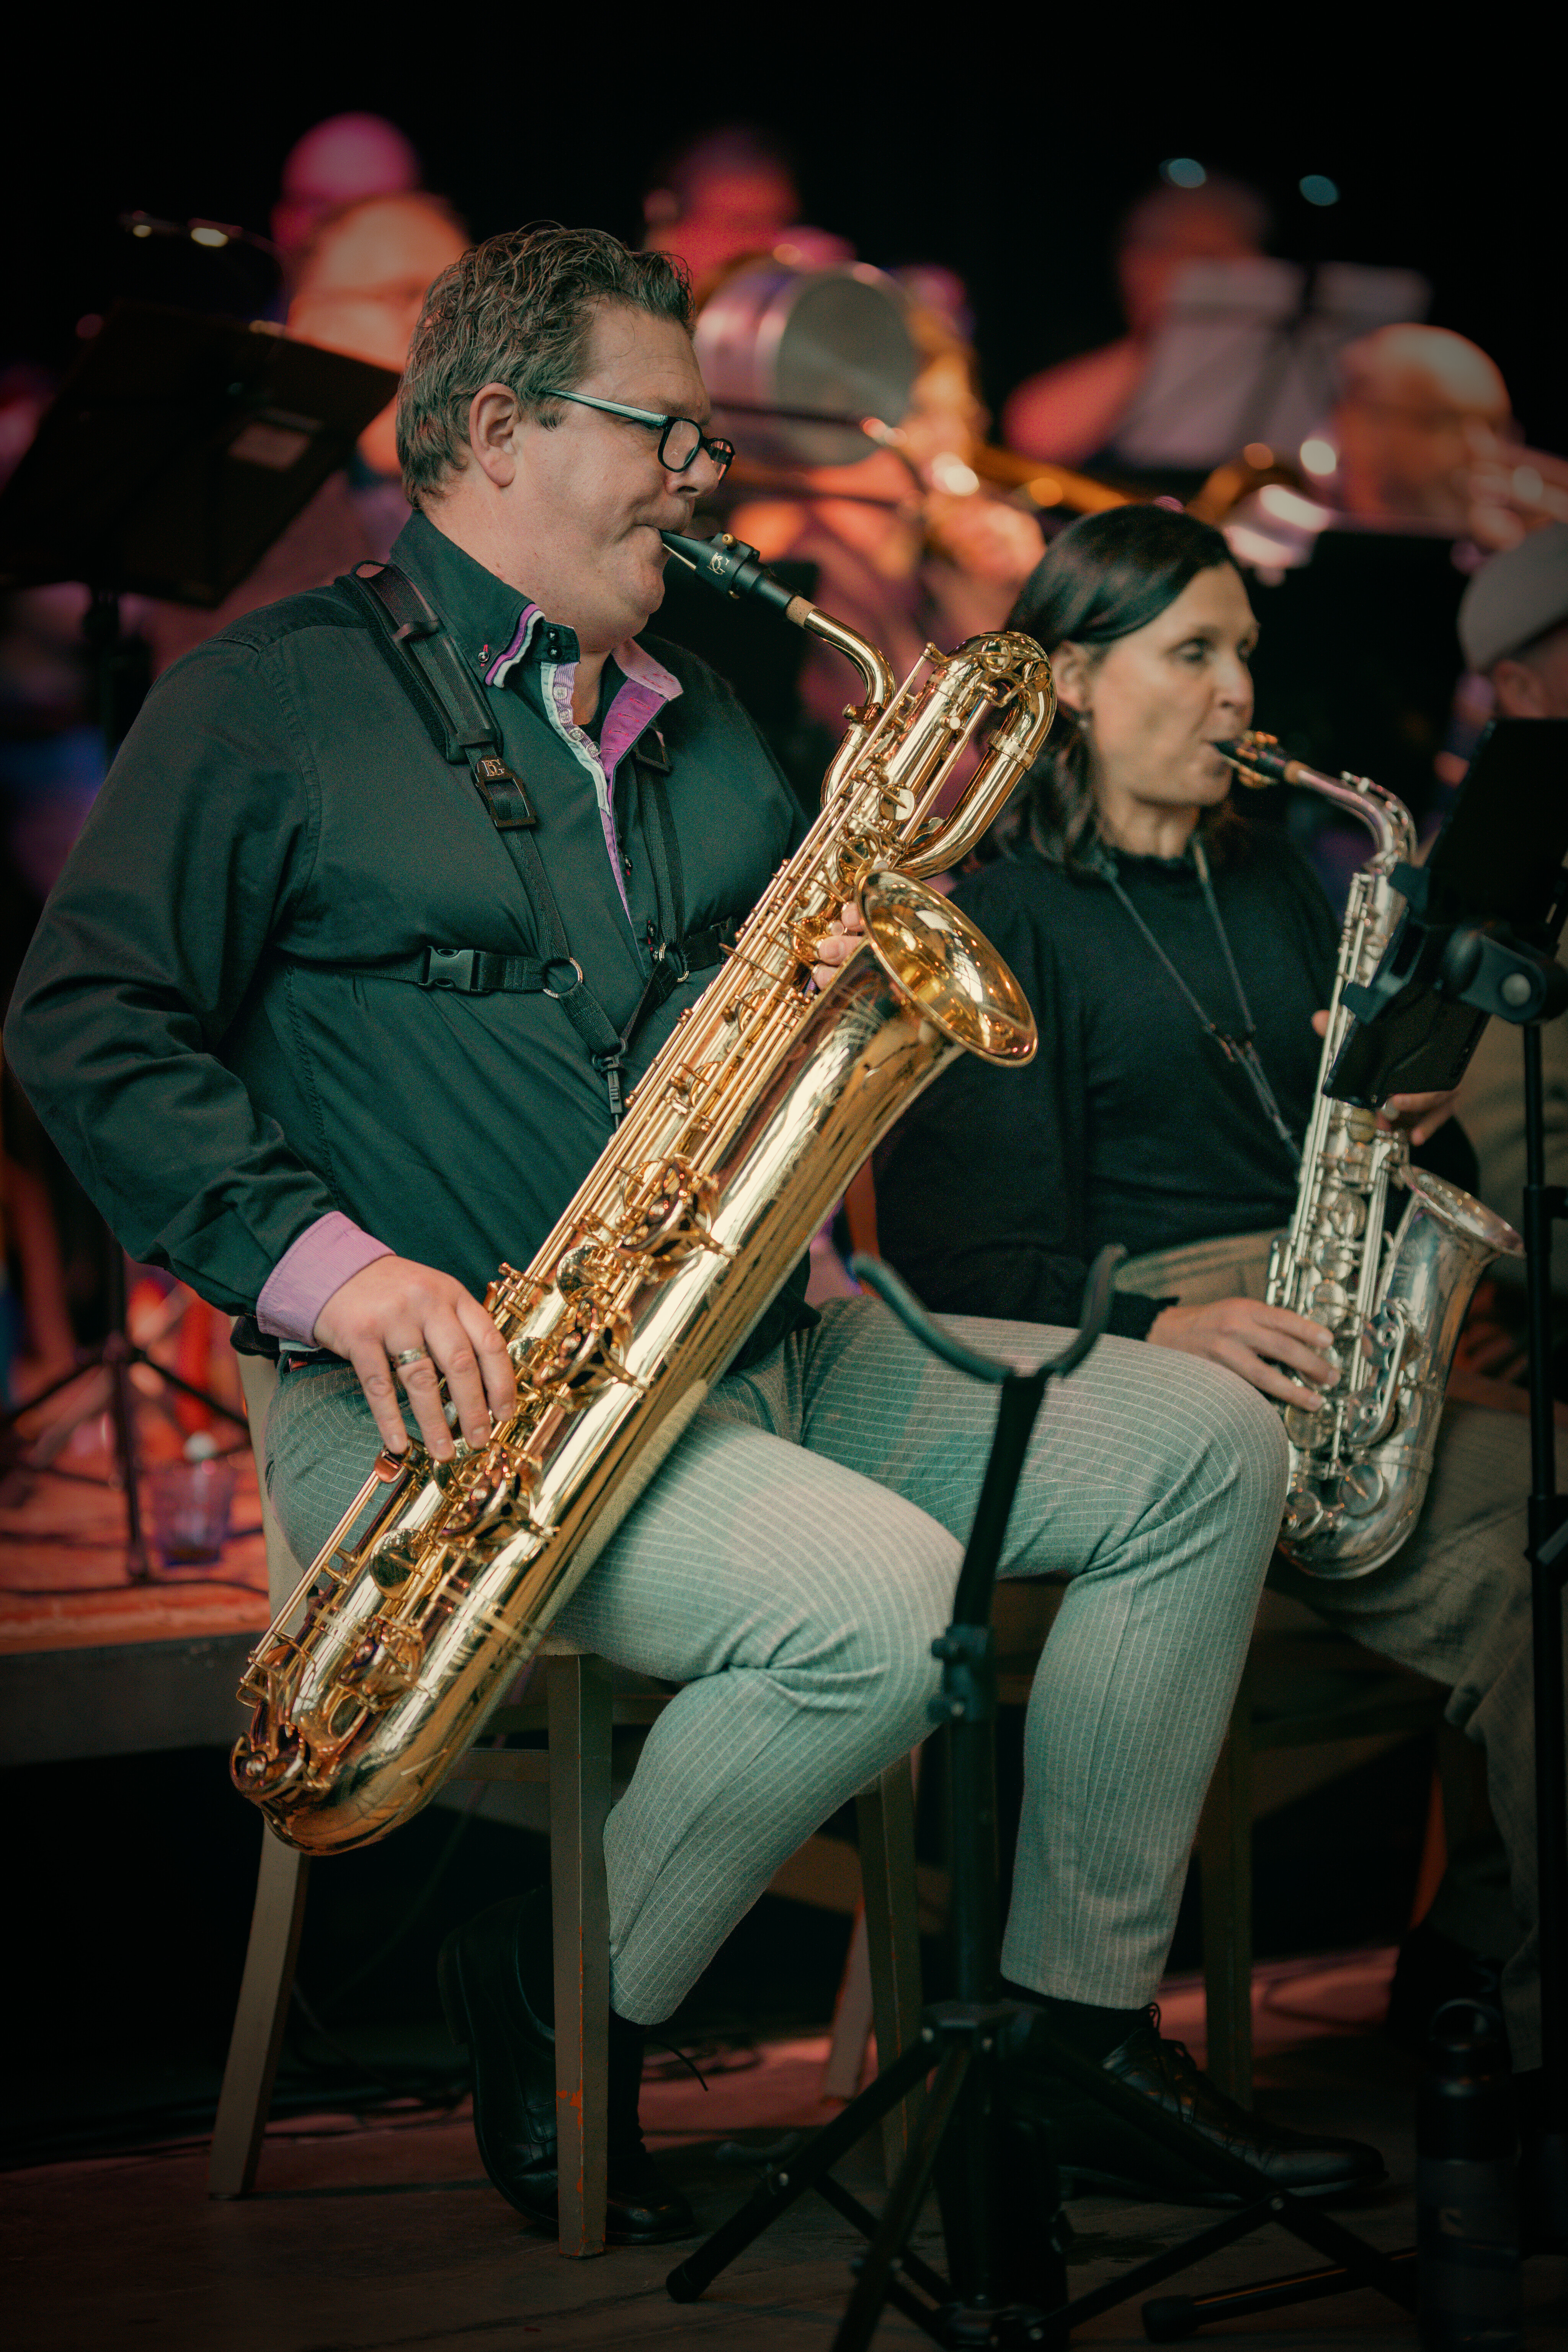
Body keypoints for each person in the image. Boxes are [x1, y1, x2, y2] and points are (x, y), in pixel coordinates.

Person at [6, 226, 1378, 2240]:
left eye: (703, 440)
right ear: (493, 434)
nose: (701, 479)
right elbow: (81, 1022)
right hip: (451, 1408)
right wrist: (342, 1269)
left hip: (770, 1351)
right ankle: (559, 1993)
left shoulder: (715, 719)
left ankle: (1076, 2029)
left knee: (1206, 1454)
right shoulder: (273, 701)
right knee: (881, 1609)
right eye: (664, 433)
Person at [875, 503, 1563, 2246]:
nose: (1234, 685)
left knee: (1548, 1541)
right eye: (1189, 650)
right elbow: (971, 1270)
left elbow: (1360, 1145)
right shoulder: (999, 912)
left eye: (1240, 647)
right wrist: (1162, 1334)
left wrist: (1414, 1103)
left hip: (1324, 1308)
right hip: (1142, 1346)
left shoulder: (1282, 874)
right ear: (1075, 679)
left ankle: (1481, 1975)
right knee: (1523, 1577)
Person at [146, 191, 469, 675]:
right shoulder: (239, 510)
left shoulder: (510, 479)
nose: (444, 325)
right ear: (311, 323)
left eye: (462, 300)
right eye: (407, 296)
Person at [1003, 176, 1270, 469]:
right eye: (1152, 250)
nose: (1147, 270)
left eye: (1207, 257)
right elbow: (1035, 436)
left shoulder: (1283, 357)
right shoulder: (1095, 344)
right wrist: (1161, 338)